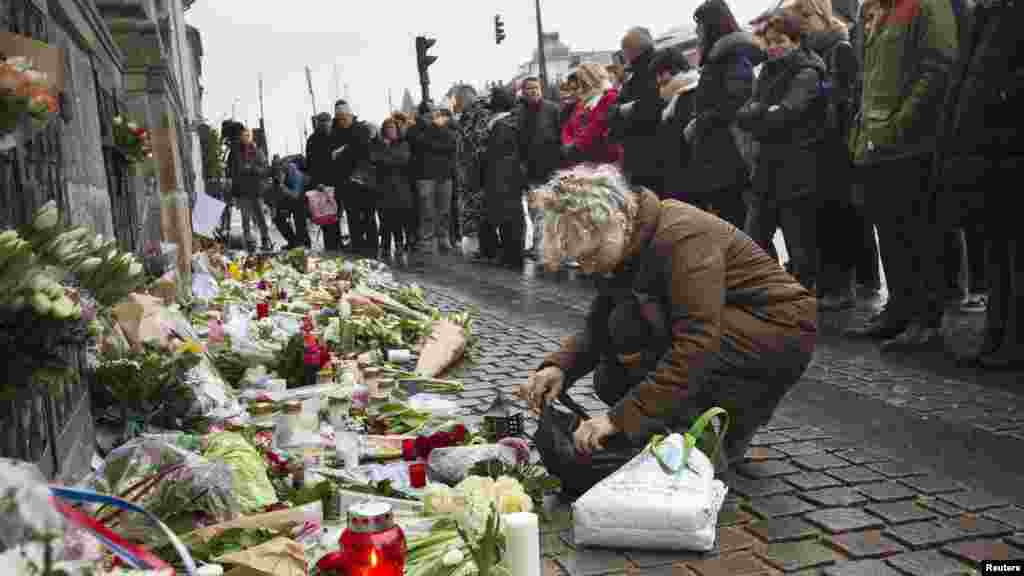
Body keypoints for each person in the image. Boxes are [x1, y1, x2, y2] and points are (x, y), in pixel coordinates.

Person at [521, 165, 816, 476]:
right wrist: (560, 366)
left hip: (781, 329)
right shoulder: (626, 242)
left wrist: (620, 418)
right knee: (613, 370)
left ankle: (701, 444)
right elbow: (598, 325)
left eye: (592, 255)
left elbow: (697, 343)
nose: (589, 267)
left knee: (635, 331)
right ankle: (697, 431)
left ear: (618, 220)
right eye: (580, 260)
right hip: (735, 325)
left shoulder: (681, 236)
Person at [843, 0, 958, 351]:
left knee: (918, 233)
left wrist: (900, 123)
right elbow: (870, 77)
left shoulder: (925, 5)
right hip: (876, 143)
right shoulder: (873, 10)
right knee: (890, 234)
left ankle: (926, 319)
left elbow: (938, 68)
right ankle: (900, 310)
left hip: (911, 143)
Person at [937, 0, 1023, 368]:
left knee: (1016, 253)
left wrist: (1005, 94)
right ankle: (996, 333)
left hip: (1010, 145)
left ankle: (1014, 340)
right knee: (996, 248)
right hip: (982, 150)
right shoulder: (984, 14)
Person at [737, 12, 828, 290]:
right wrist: (765, 112)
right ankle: (773, 290)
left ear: (797, 40)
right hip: (767, 169)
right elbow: (745, 113)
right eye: (770, 41)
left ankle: (804, 299)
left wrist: (762, 114)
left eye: (781, 41)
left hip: (796, 168)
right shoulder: (767, 71)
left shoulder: (807, 70)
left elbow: (788, 113)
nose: (774, 46)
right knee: (754, 239)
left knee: (800, 245)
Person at [687, 0, 765, 229]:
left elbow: (734, 104)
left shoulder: (732, 58)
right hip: (719, 158)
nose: (696, 32)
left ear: (711, 27)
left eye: (699, 26)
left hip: (731, 158)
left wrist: (699, 122)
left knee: (742, 230)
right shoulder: (719, 58)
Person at [608, 27, 663, 193]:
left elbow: (649, 106)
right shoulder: (637, 71)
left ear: (631, 51)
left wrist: (624, 110)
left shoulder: (650, 70)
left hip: (648, 152)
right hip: (641, 150)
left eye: (624, 51)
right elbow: (615, 109)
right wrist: (622, 109)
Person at [478, 87, 526, 268]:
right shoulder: (510, 122)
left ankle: (512, 256)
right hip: (510, 176)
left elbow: (496, 154)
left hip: (501, 176)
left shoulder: (500, 125)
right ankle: (512, 254)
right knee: (512, 217)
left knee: (508, 218)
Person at [519, 77, 562, 260]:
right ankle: (538, 246)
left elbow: (561, 134)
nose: (533, 91)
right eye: (529, 88)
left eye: (536, 88)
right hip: (529, 169)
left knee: (549, 210)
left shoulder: (552, 109)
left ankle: (544, 248)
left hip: (550, 166)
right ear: (523, 91)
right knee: (534, 209)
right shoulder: (519, 112)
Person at [408, 102, 458, 254]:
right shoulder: (414, 129)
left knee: (444, 210)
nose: (435, 114)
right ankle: (426, 240)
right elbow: (420, 143)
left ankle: (444, 238)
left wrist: (435, 141)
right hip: (424, 175)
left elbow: (451, 143)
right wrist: (434, 129)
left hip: (444, 173)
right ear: (423, 114)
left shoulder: (445, 127)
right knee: (426, 210)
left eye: (435, 110)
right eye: (432, 111)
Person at [651, 47, 700, 202]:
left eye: (660, 74)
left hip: (690, 180)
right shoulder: (675, 97)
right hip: (684, 177)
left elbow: (681, 141)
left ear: (674, 69)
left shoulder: (688, 95)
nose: (658, 80)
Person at [330, 100, 377, 256]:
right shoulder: (335, 132)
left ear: (350, 115)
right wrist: (344, 151)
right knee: (352, 216)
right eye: (339, 117)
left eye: (344, 117)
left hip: (364, 180)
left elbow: (363, 151)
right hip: (345, 182)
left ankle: (372, 248)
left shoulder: (361, 129)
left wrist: (343, 150)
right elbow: (332, 156)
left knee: (368, 216)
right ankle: (357, 246)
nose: (342, 120)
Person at [561, 64, 623, 167]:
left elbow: (597, 126)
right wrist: (568, 143)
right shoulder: (584, 101)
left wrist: (575, 146)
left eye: (582, 82)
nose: (580, 86)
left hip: (604, 161)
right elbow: (569, 127)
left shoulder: (610, 96)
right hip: (583, 159)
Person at [371, 117, 415, 258]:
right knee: (385, 218)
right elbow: (374, 159)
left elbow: (404, 159)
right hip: (383, 187)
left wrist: (386, 158)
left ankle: (399, 244)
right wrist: (388, 156)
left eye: (393, 128)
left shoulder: (403, 144)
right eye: (388, 128)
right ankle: (384, 245)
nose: (391, 131)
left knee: (399, 216)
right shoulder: (378, 145)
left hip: (400, 186)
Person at [235, 127, 273, 252]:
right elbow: (232, 171)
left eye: (248, 135)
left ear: (251, 137)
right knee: (245, 218)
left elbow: (265, 170)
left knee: (260, 216)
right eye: (243, 135)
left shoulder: (258, 152)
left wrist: (252, 169)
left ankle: (265, 239)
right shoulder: (236, 152)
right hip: (242, 191)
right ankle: (249, 242)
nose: (245, 137)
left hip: (256, 190)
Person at [306, 112, 339, 250]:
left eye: (327, 121)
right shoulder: (312, 140)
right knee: (326, 215)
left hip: (336, 181)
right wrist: (317, 182)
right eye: (322, 122)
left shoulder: (336, 136)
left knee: (336, 214)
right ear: (318, 123)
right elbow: (311, 164)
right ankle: (331, 245)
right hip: (322, 183)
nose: (325, 124)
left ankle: (337, 244)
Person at [271, 154, 311, 249]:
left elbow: (296, 195)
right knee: (277, 217)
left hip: (300, 198)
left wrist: (282, 186)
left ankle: (304, 243)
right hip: (287, 198)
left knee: (299, 219)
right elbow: (275, 194)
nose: (278, 176)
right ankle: (292, 242)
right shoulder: (276, 173)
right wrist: (274, 207)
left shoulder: (296, 174)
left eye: (280, 174)